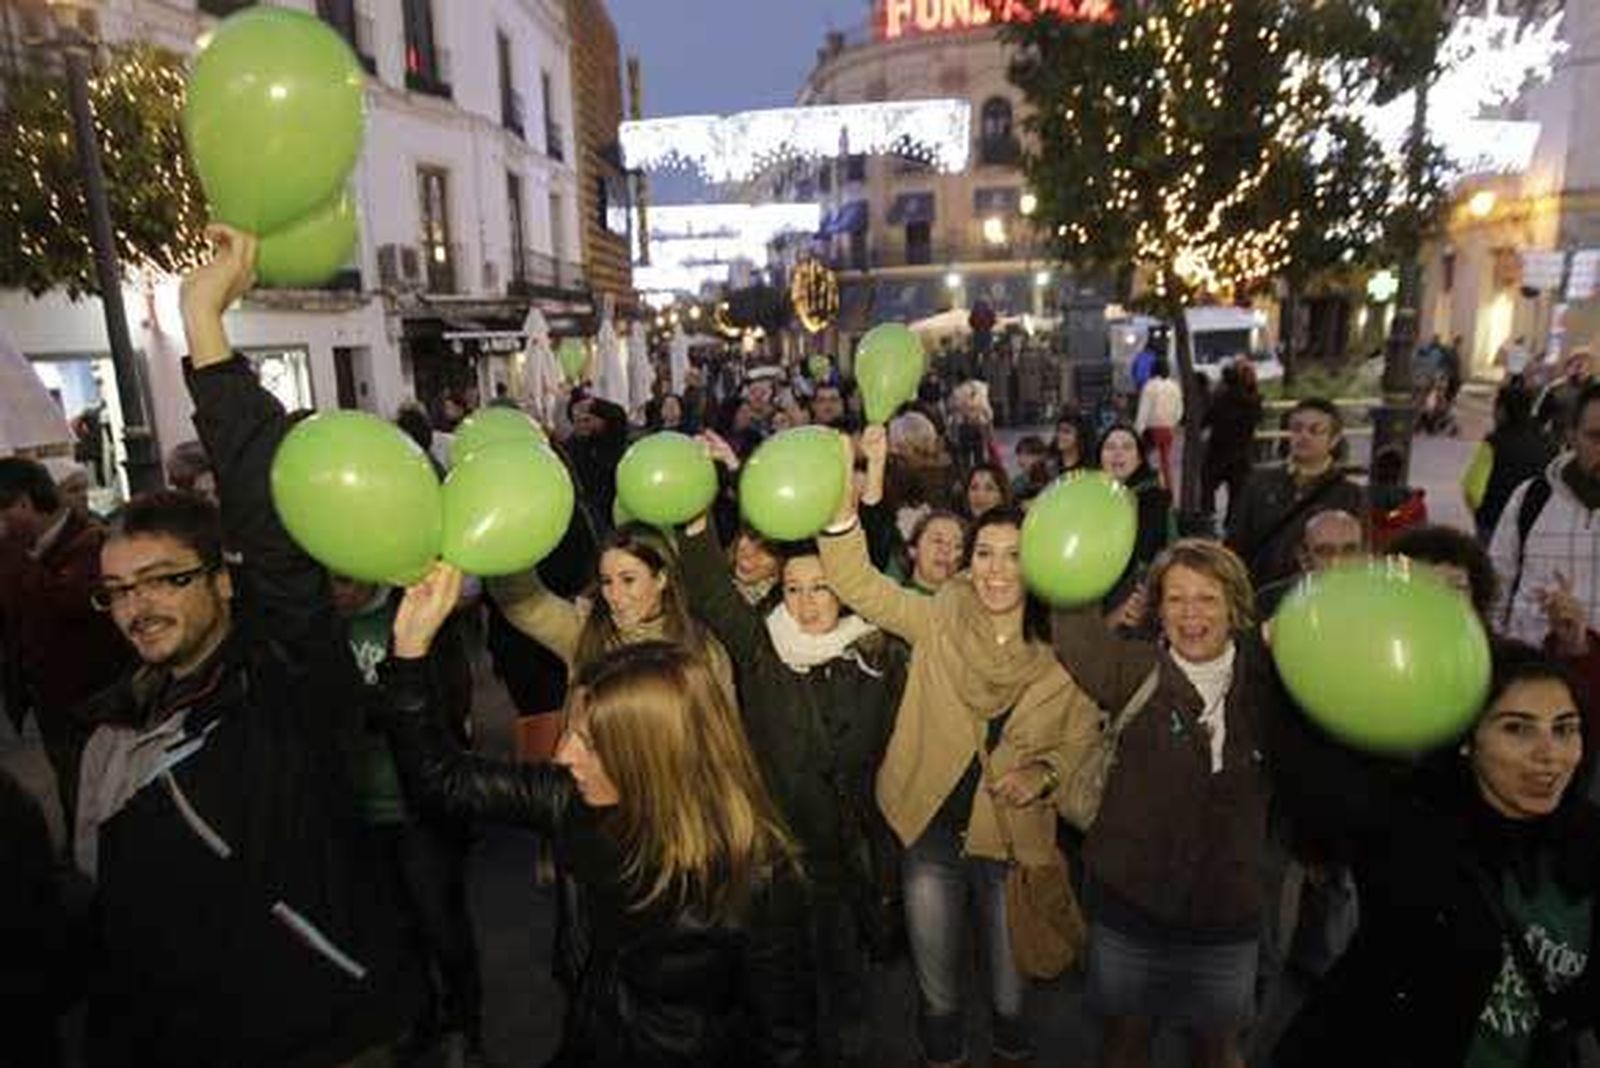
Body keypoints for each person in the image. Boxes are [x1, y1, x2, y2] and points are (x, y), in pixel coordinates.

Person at [71, 226, 419, 1063]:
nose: (138, 606)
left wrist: (205, 328)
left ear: (223, 581)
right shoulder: (108, 739)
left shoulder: (284, 687)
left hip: (330, 1037)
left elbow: (275, 538)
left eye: (164, 580)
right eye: (118, 590)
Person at [384, 585, 817, 1067]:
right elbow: (443, 782)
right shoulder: (568, 798)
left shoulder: (758, 874)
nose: (563, 754)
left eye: (588, 742)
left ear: (649, 757)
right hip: (590, 1041)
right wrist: (409, 651)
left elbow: (786, 1040)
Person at [819, 436, 1099, 1068]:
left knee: (1009, 999)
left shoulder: (1066, 643)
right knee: (937, 994)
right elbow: (858, 584)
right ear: (970, 562)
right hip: (931, 830)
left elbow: (1084, 733)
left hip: (1011, 838)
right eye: (986, 554)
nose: (999, 570)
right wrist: (845, 502)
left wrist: (1046, 772)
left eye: (1015, 556)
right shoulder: (941, 615)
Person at [1273, 643, 1600, 1067]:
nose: (1549, 754)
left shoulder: (1589, 842)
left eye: (1564, 728)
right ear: (1468, 740)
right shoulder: (1409, 827)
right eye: (1517, 729)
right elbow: (1310, 767)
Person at [680, 498, 903, 1068]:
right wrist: (695, 521)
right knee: (779, 968)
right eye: (795, 589)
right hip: (775, 845)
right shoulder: (762, 648)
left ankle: (850, 1038)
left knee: (841, 958)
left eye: (821, 589)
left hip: (843, 844)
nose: (806, 604)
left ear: (845, 593)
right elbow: (709, 592)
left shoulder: (878, 655)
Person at [1053, 540, 1283, 1068]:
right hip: (1130, 908)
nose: (1191, 614)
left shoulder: (1270, 685)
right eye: (1176, 599)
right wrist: (1073, 548)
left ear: (1235, 608)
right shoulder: (1132, 670)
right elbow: (1074, 631)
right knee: (1125, 1044)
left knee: (1216, 1050)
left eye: (1207, 598)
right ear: (1158, 609)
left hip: (1227, 916)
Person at [332, 573, 485, 1064]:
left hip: (418, 803)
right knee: (394, 924)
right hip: (359, 803)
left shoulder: (414, 612)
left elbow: (442, 700)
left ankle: (465, 1022)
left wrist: (373, 707)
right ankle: (418, 1016)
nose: (339, 589)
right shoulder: (320, 628)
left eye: (345, 579)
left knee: (440, 919)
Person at [0, 456, 132, 818]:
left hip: (90, 704)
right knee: (70, 785)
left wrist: (10, 554)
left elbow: (59, 605)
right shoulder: (30, 551)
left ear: (24, 504)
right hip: (52, 705)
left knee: (95, 792)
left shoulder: (91, 545)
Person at [490, 522, 737, 702]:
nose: (615, 595)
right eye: (607, 582)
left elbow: (723, 739)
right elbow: (525, 606)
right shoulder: (585, 631)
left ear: (661, 579)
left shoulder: (702, 648)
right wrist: (506, 538)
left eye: (628, 580)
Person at [1489, 383, 1600, 644]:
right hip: (1535, 671)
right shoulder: (1531, 498)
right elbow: (1496, 587)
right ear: (1571, 436)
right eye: (1596, 437)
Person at [1228, 397, 1365, 588]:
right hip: (1262, 594)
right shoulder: (1259, 483)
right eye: (1297, 428)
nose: (1304, 436)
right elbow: (1235, 543)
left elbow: (1359, 558)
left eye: (1315, 430)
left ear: (1334, 439)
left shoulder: (1350, 495)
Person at [1463, 380, 1555, 544]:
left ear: (1503, 410)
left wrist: (1480, 514)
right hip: (1533, 523)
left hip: (1493, 521)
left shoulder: (1495, 442)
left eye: (1496, 406)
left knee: (1489, 566)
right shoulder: (1548, 442)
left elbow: (1472, 488)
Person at [1098, 423, 1176, 616]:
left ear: (1140, 458)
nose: (1118, 454)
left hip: (1138, 598)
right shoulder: (1092, 496)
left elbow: (1146, 555)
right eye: (1110, 447)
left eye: (1127, 447)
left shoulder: (1154, 499)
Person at [1253, 508, 1367, 618]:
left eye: (1349, 550)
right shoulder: (1271, 603)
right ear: (1304, 557)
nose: (1337, 561)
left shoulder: (1378, 600)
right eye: (1326, 551)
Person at [1201, 361, 1262, 528]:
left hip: (1218, 450)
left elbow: (1206, 420)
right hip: (1242, 451)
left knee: (1208, 485)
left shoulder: (1219, 399)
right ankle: (1231, 522)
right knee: (1237, 492)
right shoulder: (1253, 400)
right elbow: (1257, 421)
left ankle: (1208, 517)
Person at [1134, 358, 1184, 492]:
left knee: (1145, 460)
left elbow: (1144, 410)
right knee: (1165, 461)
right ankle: (1168, 488)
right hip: (1168, 428)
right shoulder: (1175, 386)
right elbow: (1179, 409)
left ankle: (1150, 488)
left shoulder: (1149, 386)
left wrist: (1138, 429)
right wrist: (1173, 422)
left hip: (1152, 428)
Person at [1536, 348, 1594, 441]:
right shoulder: (1556, 388)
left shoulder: (1595, 390)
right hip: (1558, 438)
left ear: (1590, 367)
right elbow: (1540, 416)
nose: (1580, 368)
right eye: (1577, 364)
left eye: (1583, 364)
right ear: (1569, 366)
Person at [1049, 408, 1095, 479]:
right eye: (1058, 430)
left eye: (1066, 432)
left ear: (1080, 437)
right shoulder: (1048, 466)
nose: (1060, 435)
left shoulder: (1091, 470)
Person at [1011, 435, 1055, 503]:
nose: (1021, 459)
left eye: (1027, 455)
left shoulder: (1054, 479)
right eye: (1019, 454)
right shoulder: (1017, 482)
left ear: (1041, 456)